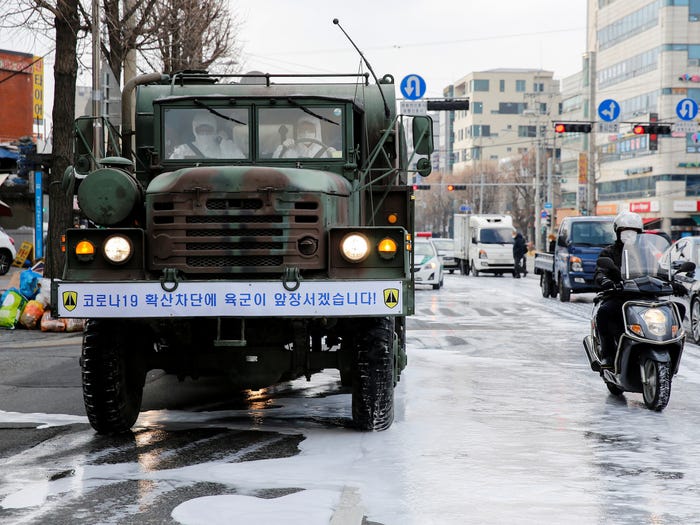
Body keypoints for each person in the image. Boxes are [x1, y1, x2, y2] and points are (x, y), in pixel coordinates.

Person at [593, 211, 685, 368]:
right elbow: (600, 272)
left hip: (646, 297)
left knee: (678, 308)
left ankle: (670, 348)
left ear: (639, 233)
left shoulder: (644, 252)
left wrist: (673, 282)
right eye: (625, 231)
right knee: (604, 312)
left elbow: (657, 271)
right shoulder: (609, 252)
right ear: (618, 232)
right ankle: (608, 355)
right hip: (620, 295)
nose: (629, 235)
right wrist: (605, 281)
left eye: (633, 232)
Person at [170, 111, 245, 159]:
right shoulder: (183, 149)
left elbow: (240, 164)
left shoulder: (226, 146)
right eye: (201, 130)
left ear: (214, 130)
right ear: (194, 130)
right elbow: (173, 170)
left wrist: (224, 144)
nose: (204, 133)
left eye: (208, 130)